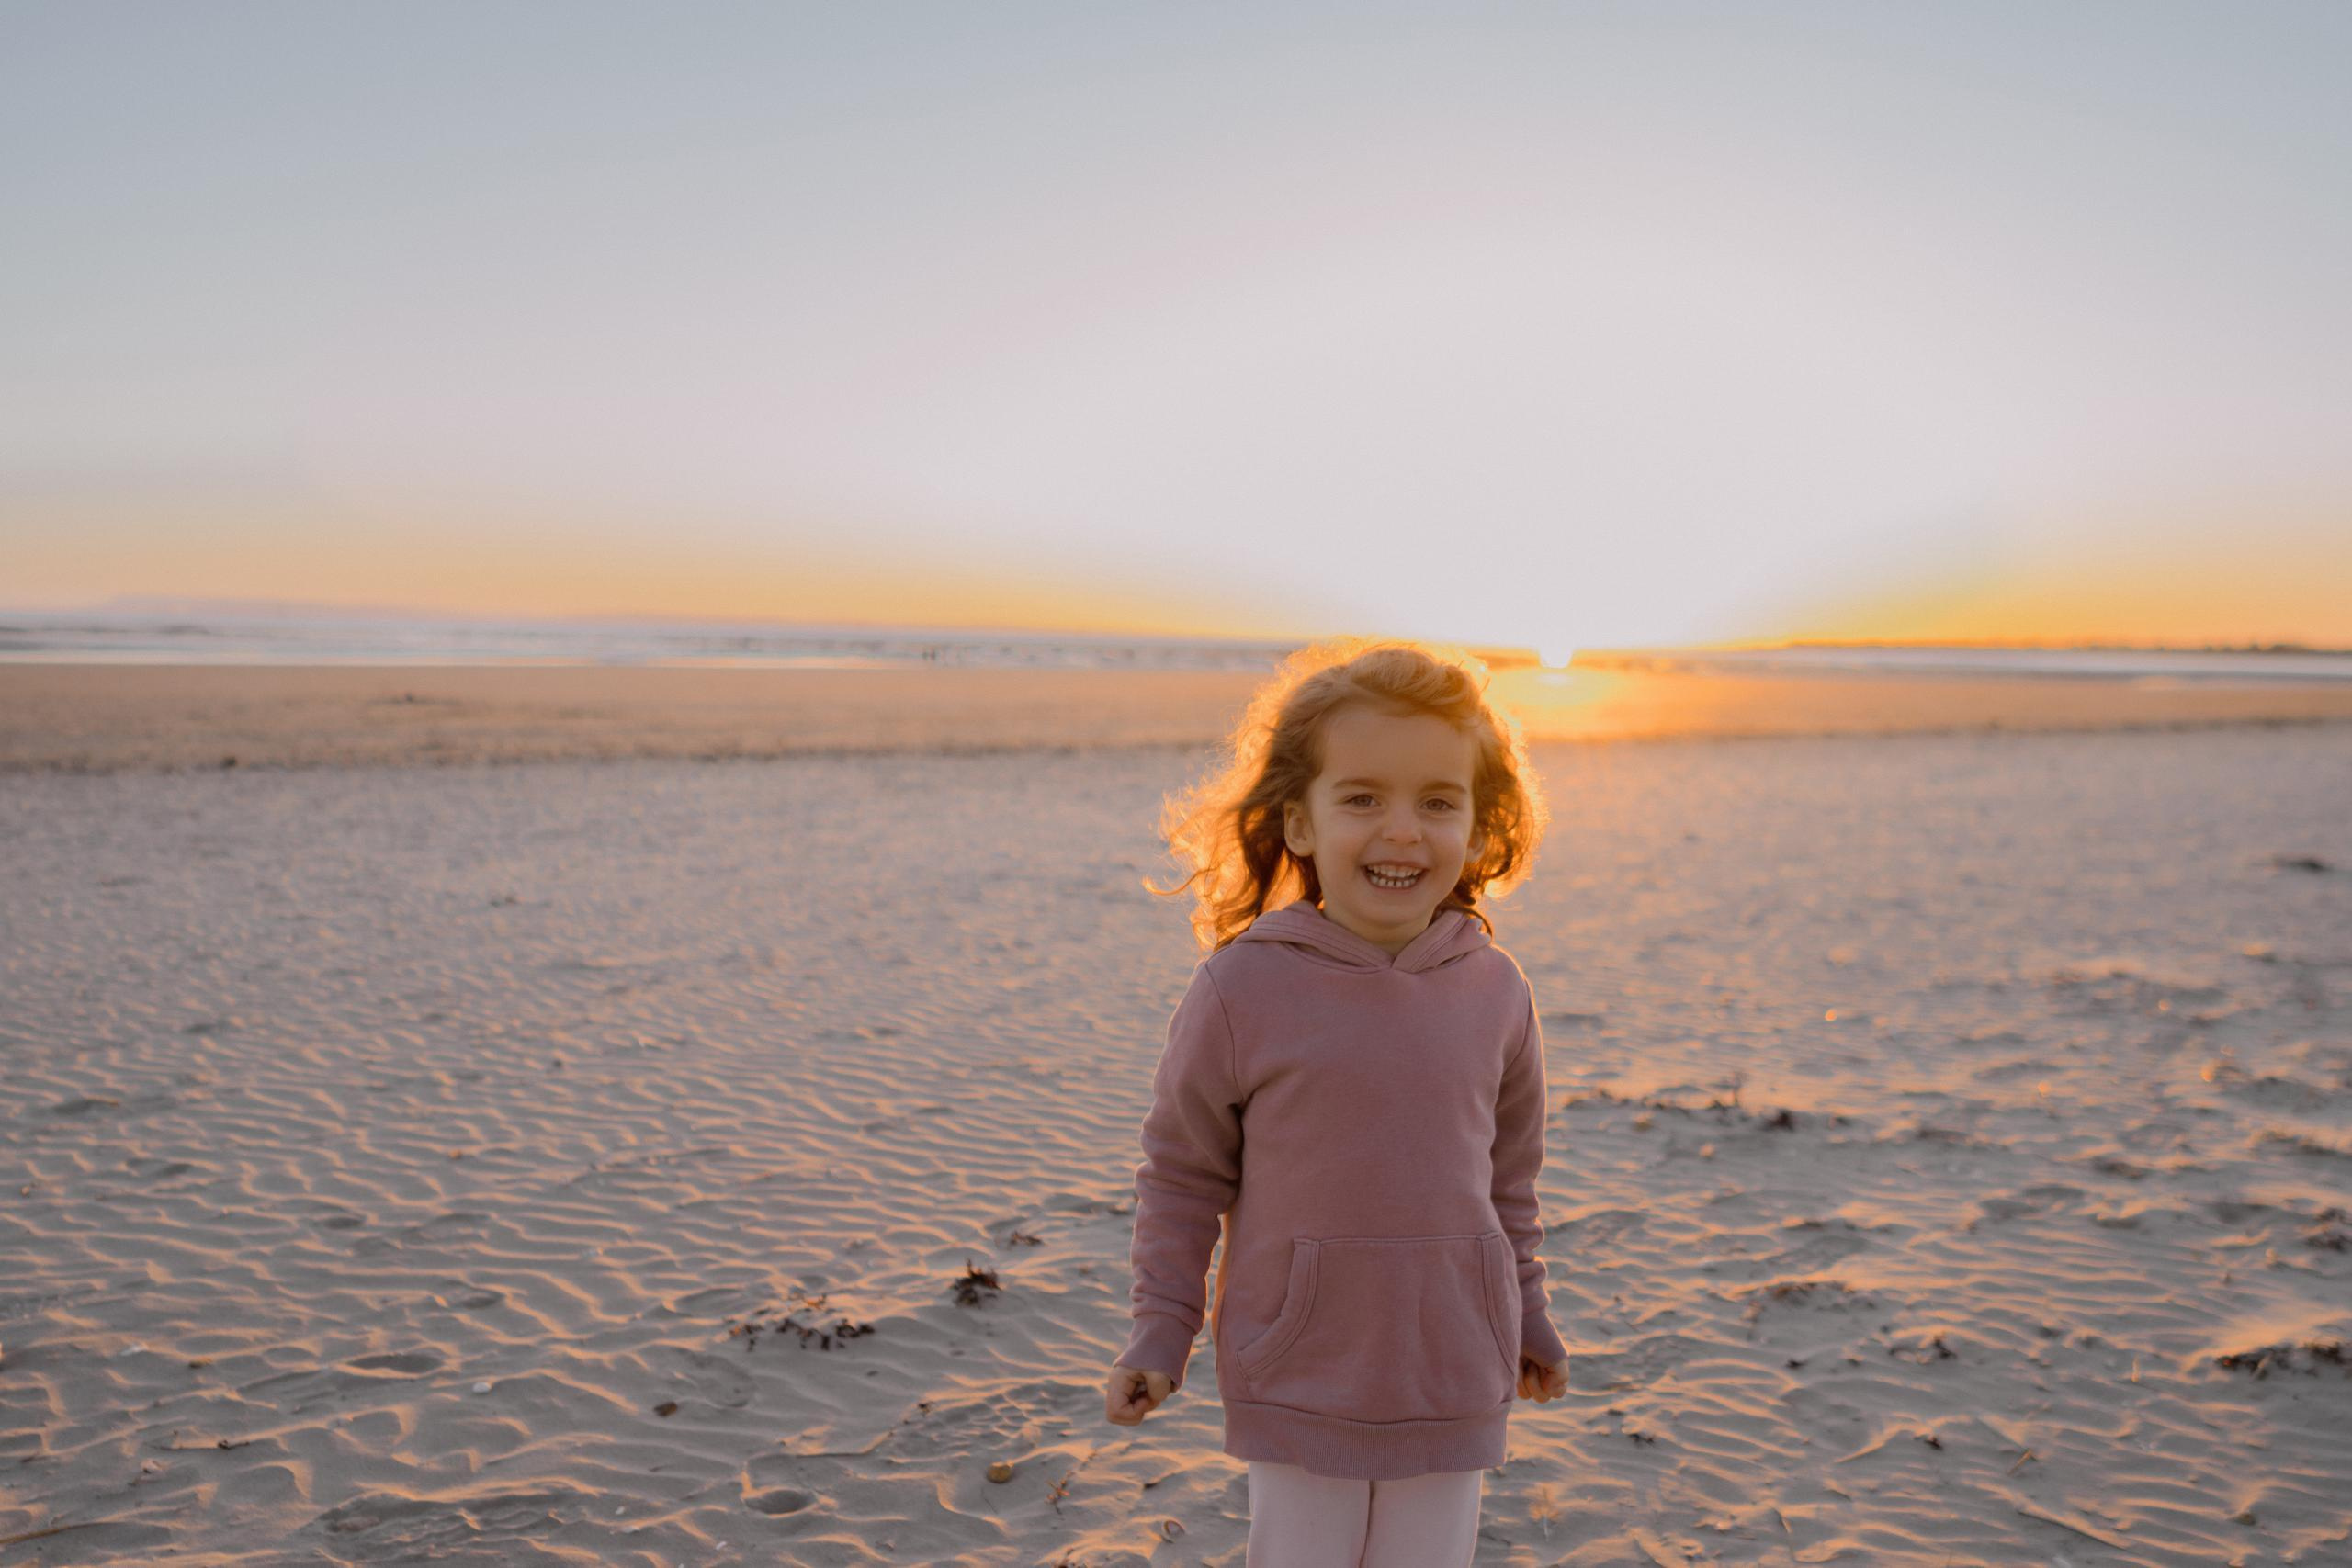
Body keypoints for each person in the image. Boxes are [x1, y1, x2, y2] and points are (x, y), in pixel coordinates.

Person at [1102, 637, 1570, 1567]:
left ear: (1479, 831)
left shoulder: (1498, 991)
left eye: (1438, 802)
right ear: (1301, 824)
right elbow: (1184, 1177)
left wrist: (1527, 1314)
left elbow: (1508, 1187)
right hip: (1299, 1368)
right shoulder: (1243, 988)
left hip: (1453, 1367)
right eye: (1361, 798)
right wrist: (1161, 1331)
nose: (1403, 831)